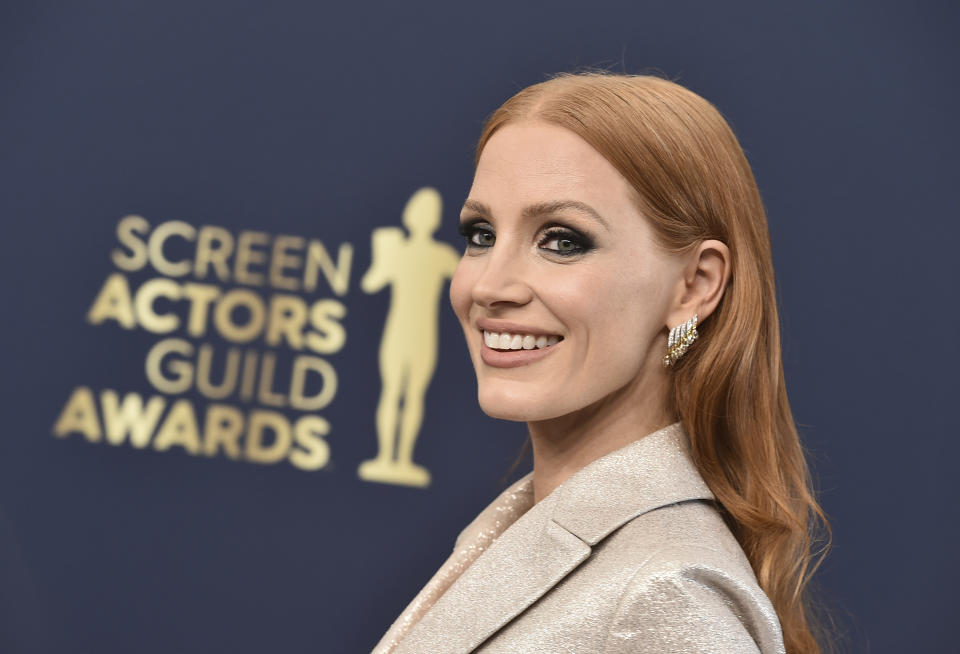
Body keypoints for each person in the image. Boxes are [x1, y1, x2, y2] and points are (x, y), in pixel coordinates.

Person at [371, 72, 831, 654]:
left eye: (562, 241)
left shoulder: (665, 594)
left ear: (694, 285)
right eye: (481, 234)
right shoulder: (524, 528)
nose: (490, 284)